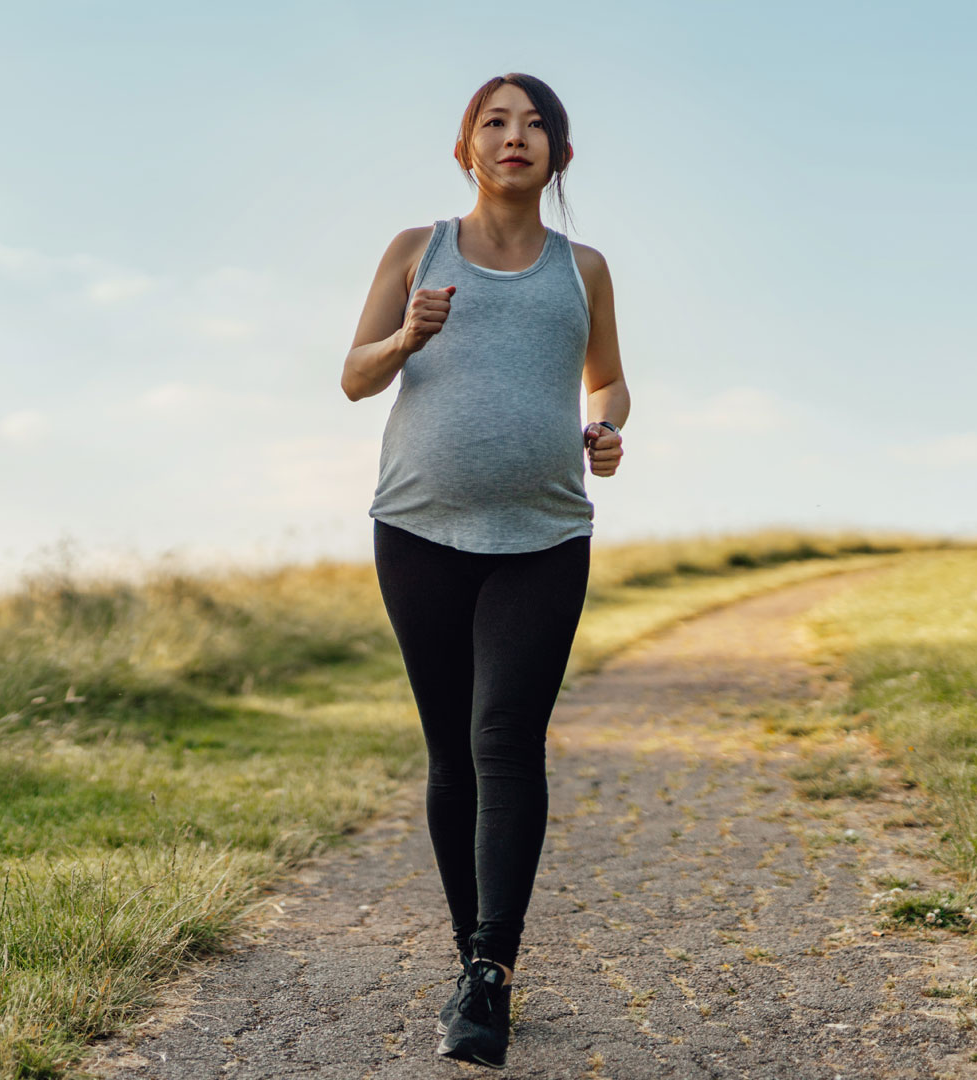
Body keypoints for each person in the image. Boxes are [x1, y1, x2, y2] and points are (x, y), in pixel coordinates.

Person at [339, 71, 629, 1070]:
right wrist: (407, 333)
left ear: (561, 153)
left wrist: (606, 429)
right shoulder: (413, 250)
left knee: (508, 734)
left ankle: (490, 970)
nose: (516, 136)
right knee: (451, 749)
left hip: (544, 536)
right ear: (465, 148)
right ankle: (473, 956)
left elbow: (612, 378)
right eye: (494, 123)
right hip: (417, 530)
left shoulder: (582, 267)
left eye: (535, 123)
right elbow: (352, 376)